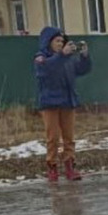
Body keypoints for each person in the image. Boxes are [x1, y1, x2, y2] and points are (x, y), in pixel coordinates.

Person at [34, 27, 92, 182]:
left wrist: (84, 56)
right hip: (50, 103)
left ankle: (70, 167)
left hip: (67, 101)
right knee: (52, 137)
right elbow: (46, 71)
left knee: (69, 137)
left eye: (62, 41)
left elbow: (81, 70)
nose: (60, 44)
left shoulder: (67, 58)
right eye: (57, 41)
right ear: (48, 42)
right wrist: (62, 55)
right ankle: (52, 167)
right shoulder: (41, 58)